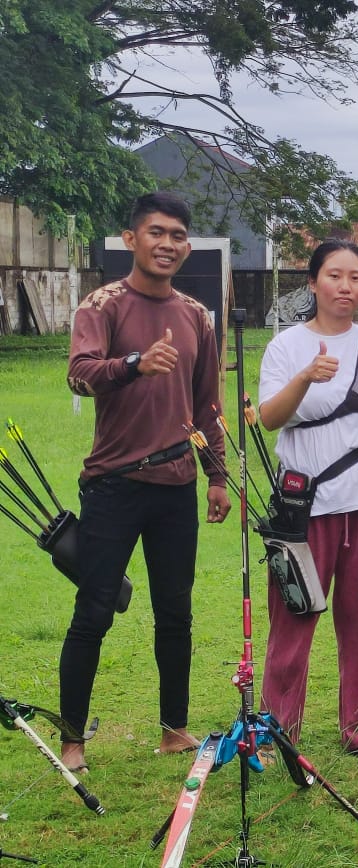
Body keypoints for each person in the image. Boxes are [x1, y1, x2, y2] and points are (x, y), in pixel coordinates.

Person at [61, 192, 232, 773]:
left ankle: (173, 729)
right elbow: (79, 377)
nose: (168, 244)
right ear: (131, 239)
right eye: (156, 232)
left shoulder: (194, 315)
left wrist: (216, 476)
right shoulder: (102, 304)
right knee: (95, 610)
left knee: (175, 611)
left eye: (178, 235)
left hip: (176, 485)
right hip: (113, 483)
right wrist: (134, 365)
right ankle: (72, 742)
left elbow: (208, 403)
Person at [258, 239, 358, 761]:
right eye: (335, 276)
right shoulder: (287, 347)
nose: (346, 286)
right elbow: (270, 417)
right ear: (314, 281)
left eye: (356, 277)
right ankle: (276, 735)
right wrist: (304, 379)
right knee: (294, 618)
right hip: (303, 508)